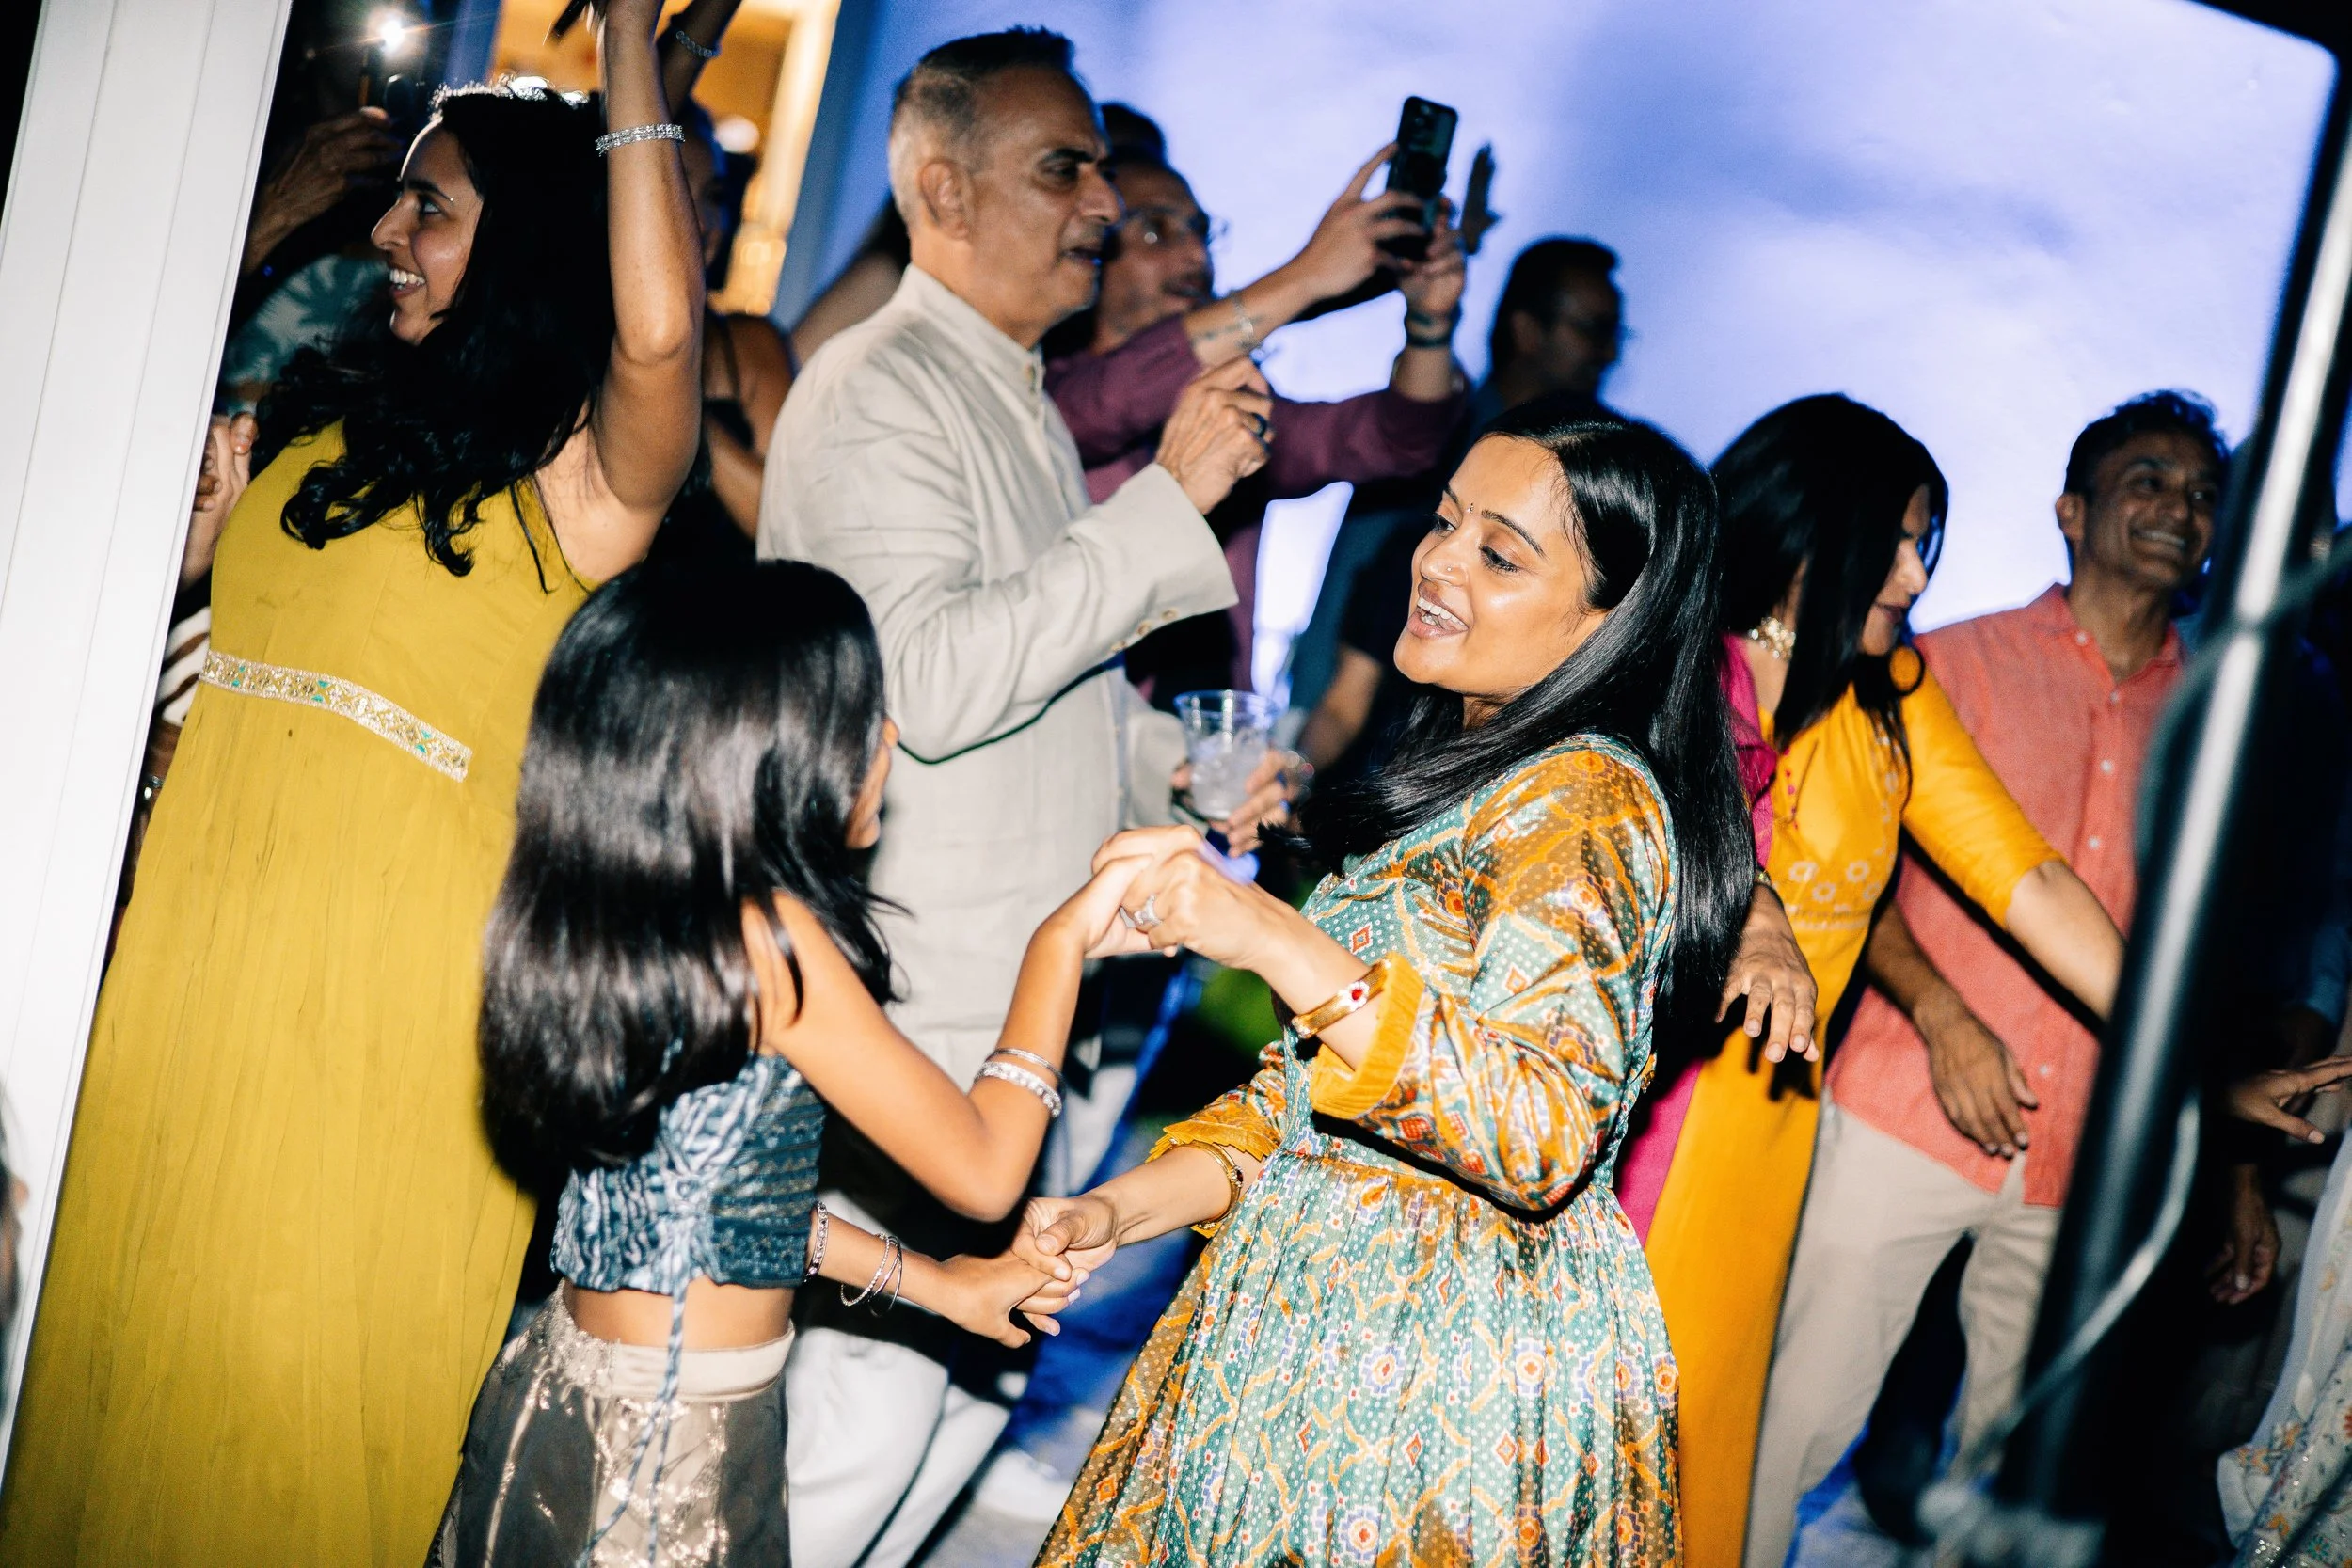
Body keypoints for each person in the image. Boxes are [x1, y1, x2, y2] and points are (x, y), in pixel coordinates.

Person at [0, 0, 707, 1558]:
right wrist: (188, 552)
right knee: (109, 1381)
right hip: (181, 986)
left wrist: (631, 42)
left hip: (385, 1040)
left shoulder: (582, 490)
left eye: (428, 208)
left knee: (281, 1425)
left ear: (522, 247)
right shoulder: (322, 433)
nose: (386, 231)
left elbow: (660, 335)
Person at [1010, 403, 1756, 1563]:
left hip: (1441, 1378)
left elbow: (1542, 1129)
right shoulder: (1477, 768)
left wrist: (1274, 937)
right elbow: (1307, 1104)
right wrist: (1117, 1211)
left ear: (1611, 619)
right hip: (1312, 1319)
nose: (1437, 561)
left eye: (1499, 554)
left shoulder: (1587, 801)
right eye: (1445, 521)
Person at [755, 30, 1282, 1568]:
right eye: (1066, 169)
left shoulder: (1021, 400)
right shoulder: (875, 388)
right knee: (853, 1435)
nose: (1103, 206)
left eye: (1102, 173)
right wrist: (1170, 505)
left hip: (1024, 1011)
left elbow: (1047, 689)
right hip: (920, 1003)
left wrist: (1174, 768)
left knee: (961, 1406)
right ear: (942, 187)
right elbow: (925, 682)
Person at [431, 558, 1135, 1561]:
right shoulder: (771, 945)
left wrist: (942, 1286)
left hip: (567, 1387)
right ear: (773, 752)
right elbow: (986, 1169)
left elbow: (719, 1210)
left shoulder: (631, 913)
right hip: (662, 1461)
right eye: (862, 715)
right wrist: (1061, 945)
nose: (888, 738)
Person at [1629, 395, 2131, 1568]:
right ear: (1808, 530)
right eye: (1895, 540)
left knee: (1708, 1434)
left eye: (1921, 544)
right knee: (1608, 1416)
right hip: (1647, 1108)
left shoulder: (1891, 691)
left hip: (1768, 1125)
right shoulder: (1672, 660)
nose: (1915, 574)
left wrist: (2179, 1038)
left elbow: (2026, 878)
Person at [1739, 393, 2228, 1565]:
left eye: (2203, 493)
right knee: (1787, 1421)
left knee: (2017, 1469)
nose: (2178, 508)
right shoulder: (1934, 665)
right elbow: (1819, 867)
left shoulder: (2216, 723)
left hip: (2085, 1144)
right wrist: (1941, 1016)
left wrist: (2206, 1078)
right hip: (1880, 1103)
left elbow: (2054, 888)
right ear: (2072, 510)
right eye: (2147, 479)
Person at [1045, 140, 1467, 699]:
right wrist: (1307, 275)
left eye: (1200, 232)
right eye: (1154, 232)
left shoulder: (1231, 400)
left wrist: (1430, 325)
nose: (1194, 256)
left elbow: (1395, 441)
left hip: (1220, 733)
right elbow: (1108, 402)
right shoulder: (1046, 391)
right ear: (1094, 249)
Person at [1290, 234, 1625, 737]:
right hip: (1380, 738)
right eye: (1592, 330)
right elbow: (1361, 573)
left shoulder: (1598, 469)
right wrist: (1306, 725)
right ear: (1527, 331)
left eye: (1499, 556)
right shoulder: (1434, 441)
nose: (1608, 352)